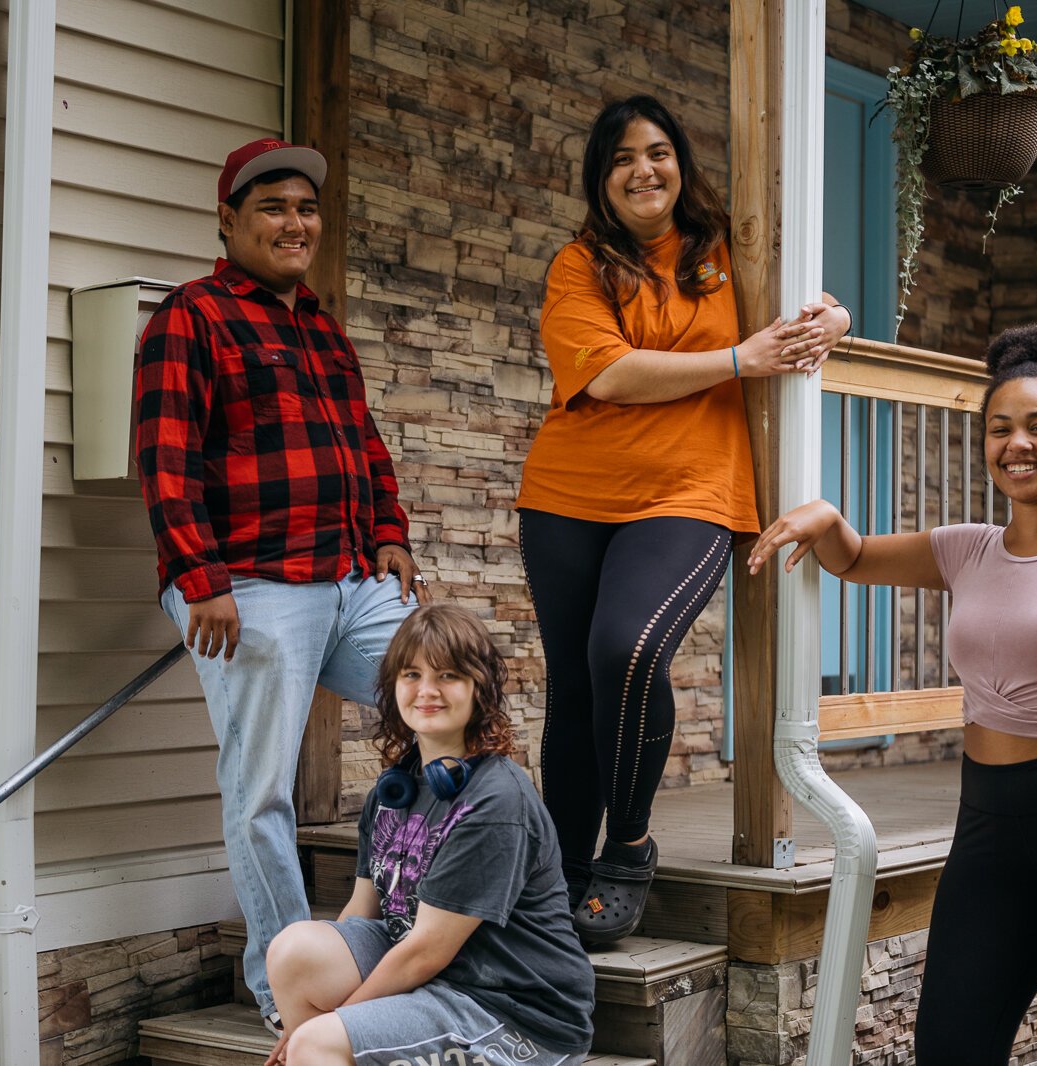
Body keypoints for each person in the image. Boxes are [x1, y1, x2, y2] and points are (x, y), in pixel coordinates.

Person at [748, 319, 1037, 1064]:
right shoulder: (965, 549)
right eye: (1000, 429)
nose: (1018, 444)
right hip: (989, 821)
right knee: (950, 1048)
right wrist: (823, 515)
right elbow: (852, 558)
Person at [515, 94, 853, 942]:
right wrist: (739, 359)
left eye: (657, 152)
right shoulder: (578, 266)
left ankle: (627, 848)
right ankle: (559, 873)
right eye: (622, 158)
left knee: (625, 651)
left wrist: (836, 318)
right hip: (567, 496)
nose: (643, 170)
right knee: (573, 689)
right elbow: (607, 373)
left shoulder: (729, 252)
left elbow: (813, 303)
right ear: (601, 180)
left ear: (680, 163)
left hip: (692, 493)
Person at [133, 137, 430, 1032]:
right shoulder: (190, 317)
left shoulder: (322, 329)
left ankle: (427, 924)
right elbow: (165, 458)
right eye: (272, 207)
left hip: (349, 578)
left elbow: (364, 445)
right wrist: (199, 577)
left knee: (453, 703)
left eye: (305, 207)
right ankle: (285, 988)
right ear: (228, 221)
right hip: (247, 586)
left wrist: (389, 533)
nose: (295, 222)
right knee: (260, 790)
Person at [261, 604, 596, 1066]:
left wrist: (335, 1021)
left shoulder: (495, 802)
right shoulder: (394, 790)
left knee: (316, 1043)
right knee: (293, 952)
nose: (427, 691)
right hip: (434, 979)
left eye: (448, 676)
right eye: (411, 675)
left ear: (480, 688)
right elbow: (360, 913)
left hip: (514, 1014)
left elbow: (426, 952)